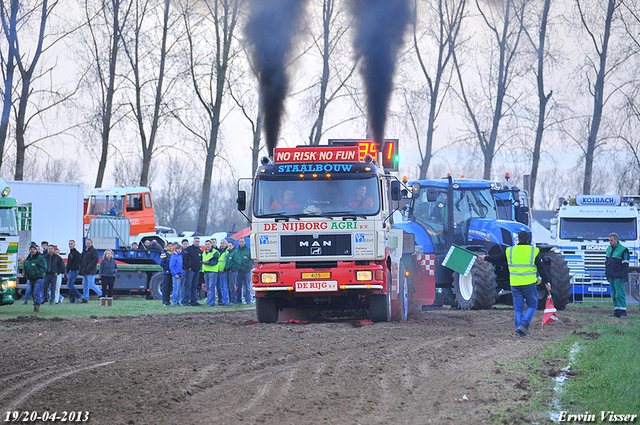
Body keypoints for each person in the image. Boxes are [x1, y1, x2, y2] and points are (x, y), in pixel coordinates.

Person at [481, 231, 550, 337]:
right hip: (529, 284)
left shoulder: (510, 251)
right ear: (528, 240)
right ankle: (524, 324)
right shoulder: (533, 251)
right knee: (532, 304)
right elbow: (541, 268)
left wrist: (485, 258)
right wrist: (546, 281)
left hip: (514, 284)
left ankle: (519, 332)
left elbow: (497, 258)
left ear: (518, 239)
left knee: (518, 308)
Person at [605, 232, 629, 318]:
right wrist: (607, 275)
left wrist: (624, 277)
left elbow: (626, 265)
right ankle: (616, 310)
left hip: (619, 276)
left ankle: (623, 311)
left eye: (611, 240)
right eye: (609, 240)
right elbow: (607, 263)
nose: (610, 242)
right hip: (611, 276)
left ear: (616, 240)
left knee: (620, 294)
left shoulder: (623, 250)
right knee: (614, 294)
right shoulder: (608, 249)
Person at [23, 244, 46, 312]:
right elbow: (25, 267)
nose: (32, 250)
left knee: (36, 292)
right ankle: (35, 305)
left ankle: (37, 307)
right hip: (30, 278)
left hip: (38, 278)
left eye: (33, 249)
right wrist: (24, 272)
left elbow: (43, 268)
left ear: (36, 250)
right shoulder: (27, 259)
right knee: (33, 292)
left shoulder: (40, 258)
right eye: (31, 249)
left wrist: (36, 273)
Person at [79, 238, 102, 303]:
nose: (88, 244)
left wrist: (89, 267)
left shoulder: (94, 251)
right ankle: (85, 298)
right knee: (85, 285)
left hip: (90, 271)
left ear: (91, 243)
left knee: (91, 284)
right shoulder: (84, 251)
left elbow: (95, 260)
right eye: (87, 243)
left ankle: (101, 294)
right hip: (85, 271)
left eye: (89, 243)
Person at [184, 237, 203, 306]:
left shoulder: (199, 250)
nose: (197, 242)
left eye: (198, 241)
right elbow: (185, 259)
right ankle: (185, 301)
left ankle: (194, 301)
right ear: (193, 242)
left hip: (196, 271)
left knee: (194, 287)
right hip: (190, 271)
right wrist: (187, 267)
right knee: (188, 286)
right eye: (196, 241)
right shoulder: (189, 249)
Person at [235, 237, 254, 304]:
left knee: (247, 287)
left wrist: (248, 267)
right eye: (240, 241)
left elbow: (252, 260)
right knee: (239, 287)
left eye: (242, 241)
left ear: (245, 242)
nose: (241, 243)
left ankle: (248, 300)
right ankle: (238, 300)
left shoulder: (248, 250)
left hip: (246, 271)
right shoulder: (236, 250)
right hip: (238, 272)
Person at [202, 240, 220, 306]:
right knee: (208, 288)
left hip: (213, 271)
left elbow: (215, 261)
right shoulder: (204, 252)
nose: (207, 245)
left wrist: (209, 262)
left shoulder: (215, 252)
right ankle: (209, 301)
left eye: (208, 244)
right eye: (206, 244)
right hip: (206, 271)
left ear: (211, 244)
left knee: (211, 287)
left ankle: (211, 302)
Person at [159, 241, 173, 306]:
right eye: (169, 246)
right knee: (165, 288)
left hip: (171, 273)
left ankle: (168, 301)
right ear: (166, 247)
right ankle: (164, 301)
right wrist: (169, 268)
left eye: (171, 246)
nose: (170, 247)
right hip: (166, 272)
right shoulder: (164, 253)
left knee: (170, 288)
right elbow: (162, 263)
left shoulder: (172, 253)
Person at [180, 239, 190, 306]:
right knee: (182, 287)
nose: (185, 245)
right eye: (184, 243)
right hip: (183, 271)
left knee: (187, 286)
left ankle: (186, 300)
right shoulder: (181, 252)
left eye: (186, 243)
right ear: (182, 245)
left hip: (188, 270)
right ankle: (183, 301)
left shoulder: (190, 251)